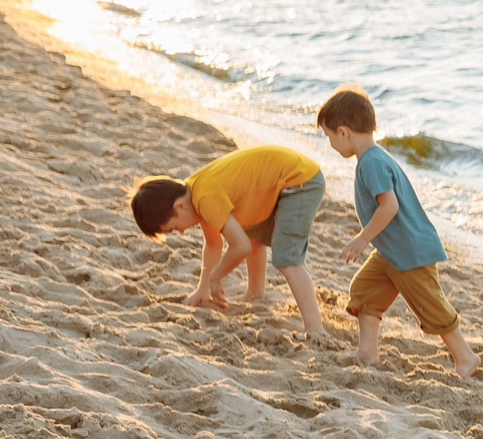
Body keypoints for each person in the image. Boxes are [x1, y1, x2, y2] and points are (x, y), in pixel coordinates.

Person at [315, 87, 478, 376]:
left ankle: (465, 357)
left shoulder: (372, 163)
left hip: (409, 251)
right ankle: (367, 352)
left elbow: (389, 206)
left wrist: (362, 238)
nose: (331, 145)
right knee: (364, 289)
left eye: (329, 138)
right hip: (393, 251)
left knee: (431, 306)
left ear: (343, 132)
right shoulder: (373, 158)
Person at [128, 145, 334, 341]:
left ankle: (315, 329)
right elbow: (213, 245)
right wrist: (203, 288)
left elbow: (240, 247)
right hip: (284, 180)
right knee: (251, 234)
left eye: (174, 228)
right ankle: (255, 293)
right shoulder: (195, 195)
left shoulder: (206, 198)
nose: (181, 231)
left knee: (286, 257)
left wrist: (216, 277)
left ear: (179, 207)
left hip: (299, 181)